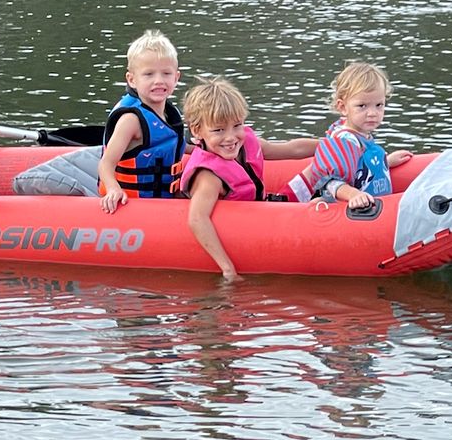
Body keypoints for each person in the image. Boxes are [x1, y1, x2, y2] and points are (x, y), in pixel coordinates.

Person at [177, 77, 316, 280]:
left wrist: (330, 145)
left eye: (237, 126)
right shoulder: (209, 177)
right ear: (197, 131)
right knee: (317, 198)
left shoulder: (246, 143)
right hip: (251, 227)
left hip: (265, 207)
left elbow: (291, 148)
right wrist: (227, 268)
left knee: (321, 168)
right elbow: (197, 219)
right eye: (218, 130)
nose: (231, 137)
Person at [284, 61, 414, 207]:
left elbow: (359, 165)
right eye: (362, 106)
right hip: (348, 213)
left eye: (379, 105)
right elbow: (330, 182)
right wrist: (353, 194)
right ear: (343, 107)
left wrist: (385, 162)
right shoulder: (345, 139)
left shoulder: (361, 134)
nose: (372, 113)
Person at [98, 29, 186, 213]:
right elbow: (106, 164)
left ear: (176, 78)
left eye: (166, 74)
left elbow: (170, 144)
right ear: (132, 80)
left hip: (166, 202)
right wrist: (113, 189)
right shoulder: (131, 120)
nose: (159, 81)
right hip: (134, 207)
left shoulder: (170, 113)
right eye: (149, 74)